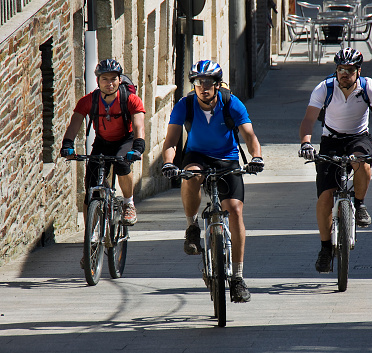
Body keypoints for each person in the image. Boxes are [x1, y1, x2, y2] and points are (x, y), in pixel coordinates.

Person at [161, 60, 264, 303]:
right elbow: (171, 141)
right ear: (193, 85)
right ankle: (192, 227)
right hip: (197, 156)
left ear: (217, 85)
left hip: (227, 159)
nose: (203, 87)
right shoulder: (185, 105)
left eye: (208, 83)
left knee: (235, 210)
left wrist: (256, 157)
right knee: (192, 175)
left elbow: (249, 135)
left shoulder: (231, 103)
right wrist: (168, 162)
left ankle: (237, 278)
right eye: (198, 83)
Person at [298, 48, 372, 273]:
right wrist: (306, 143)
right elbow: (309, 119)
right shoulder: (325, 88)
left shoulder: (369, 87)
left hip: (358, 138)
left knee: (363, 162)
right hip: (330, 140)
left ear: (358, 71)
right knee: (325, 196)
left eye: (349, 70)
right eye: (340, 69)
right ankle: (325, 248)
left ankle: (359, 204)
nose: (344, 74)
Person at [60, 59, 146, 226]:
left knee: (122, 163)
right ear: (98, 81)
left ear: (120, 80)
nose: (109, 83)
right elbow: (75, 123)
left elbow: (138, 125)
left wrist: (138, 147)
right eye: (105, 79)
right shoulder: (88, 101)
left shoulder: (130, 99)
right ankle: (90, 236)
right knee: (90, 190)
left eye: (113, 79)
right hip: (102, 142)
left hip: (125, 140)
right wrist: (67, 144)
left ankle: (129, 203)